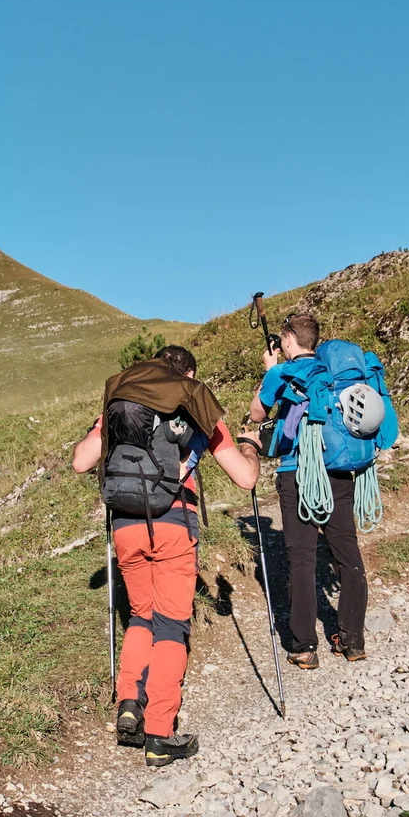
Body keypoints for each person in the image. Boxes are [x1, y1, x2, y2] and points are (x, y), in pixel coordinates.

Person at [73, 345, 260, 766]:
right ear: (188, 374)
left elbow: (80, 462)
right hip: (174, 522)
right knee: (171, 625)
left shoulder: (124, 402)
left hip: (125, 524)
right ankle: (159, 734)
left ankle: (128, 705)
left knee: (141, 615)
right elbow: (245, 477)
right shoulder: (193, 403)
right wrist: (250, 447)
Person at [246, 314, 368, 669]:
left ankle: (303, 646)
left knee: (301, 558)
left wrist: (270, 370)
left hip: (297, 473)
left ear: (287, 339)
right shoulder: (333, 374)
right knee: (346, 552)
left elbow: (257, 414)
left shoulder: (281, 373)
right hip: (339, 469)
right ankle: (353, 640)